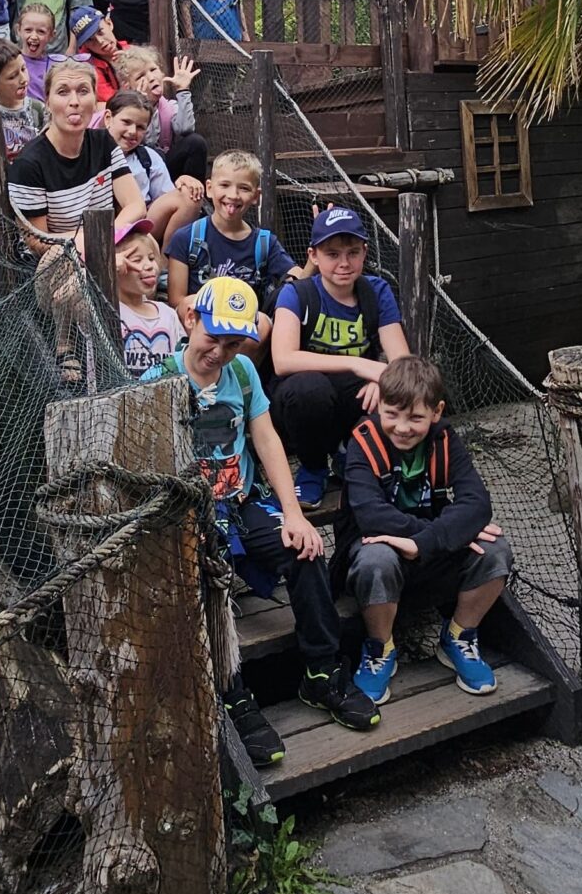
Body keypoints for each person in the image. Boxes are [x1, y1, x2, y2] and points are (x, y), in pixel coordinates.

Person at [146, 277, 381, 764]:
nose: (220, 352)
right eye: (214, 338)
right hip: (188, 508)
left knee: (305, 551)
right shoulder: (159, 381)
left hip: (240, 500)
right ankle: (231, 692)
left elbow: (267, 439)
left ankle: (321, 671)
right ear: (190, 321)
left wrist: (294, 514)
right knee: (202, 580)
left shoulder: (243, 374)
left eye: (234, 343)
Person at [341, 356, 510, 703]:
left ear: (436, 412)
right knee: (376, 558)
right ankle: (380, 648)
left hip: (429, 550)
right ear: (379, 405)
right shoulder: (363, 440)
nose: (402, 427)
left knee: (496, 549)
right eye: (391, 414)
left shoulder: (445, 438)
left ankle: (459, 635)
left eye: (415, 418)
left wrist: (424, 542)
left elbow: (477, 503)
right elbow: (372, 515)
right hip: (373, 550)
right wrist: (442, 533)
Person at [270, 205, 412, 507]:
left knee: (395, 394)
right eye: (333, 254)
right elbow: (283, 360)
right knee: (308, 389)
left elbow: (401, 362)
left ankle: (354, 456)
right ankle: (313, 468)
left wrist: (382, 380)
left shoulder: (377, 291)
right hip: (303, 406)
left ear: (364, 252)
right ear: (313, 256)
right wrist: (362, 365)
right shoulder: (297, 294)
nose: (344, 263)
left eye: (352, 253)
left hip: (354, 398)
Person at [167, 151, 300, 334]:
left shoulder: (264, 243)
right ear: (209, 188)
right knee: (187, 303)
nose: (233, 195)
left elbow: (300, 277)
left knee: (263, 323)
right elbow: (177, 302)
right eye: (224, 185)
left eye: (244, 188)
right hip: (202, 323)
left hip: (243, 325)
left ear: (256, 196)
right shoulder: (186, 238)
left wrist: (318, 248)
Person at [6, 59, 143, 237]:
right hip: (62, 251)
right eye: (62, 92)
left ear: (95, 100)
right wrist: (97, 238)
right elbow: (37, 240)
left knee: (145, 244)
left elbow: (136, 205)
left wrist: (107, 238)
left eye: (83, 91)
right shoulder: (29, 164)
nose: (74, 101)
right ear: (47, 102)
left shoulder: (103, 142)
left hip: (108, 239)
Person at [103, 88, 203, 246]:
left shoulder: (148, 157)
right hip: (104, 228)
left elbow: (167, 198)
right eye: (126, 122)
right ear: (108, 118)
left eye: (140, 127)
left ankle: (167, 256)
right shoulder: (91, 153)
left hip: (142, 229)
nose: (132, 132)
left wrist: (184, 181)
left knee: (189, 194)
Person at [113, 43, 210, 185]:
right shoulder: (124, 111)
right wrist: (142, 106)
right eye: (140, 76)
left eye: (153, 69)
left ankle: (193, 192)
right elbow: (146, 142)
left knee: (196, 142)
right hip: (136, 171)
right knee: (155, 153)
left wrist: (183, 90)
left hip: (165, 167)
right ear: (128, 87)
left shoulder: (169, 106)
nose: (151, 77)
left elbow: (185, 129)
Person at [113, 219, 180, 379]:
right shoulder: (106, 309)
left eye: (151, 258)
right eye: (136, 260)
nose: (149, 266)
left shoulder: (168, 314)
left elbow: (180, 360)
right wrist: (106, 265)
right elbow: (63, 296)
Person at [65, 5, 122, 101]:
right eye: (90, 40)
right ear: (84, 45)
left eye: (100, 31)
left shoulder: (130, 50)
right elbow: (114, 103)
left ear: (109, 23)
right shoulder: (88, 69)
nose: (100, 41)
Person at [16, 2, 61, 101]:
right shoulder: (11, 62)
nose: (34, 36)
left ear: (52, 35)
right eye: (28, 30)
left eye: (41, 31)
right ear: (18, 30)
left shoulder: (55, 66)